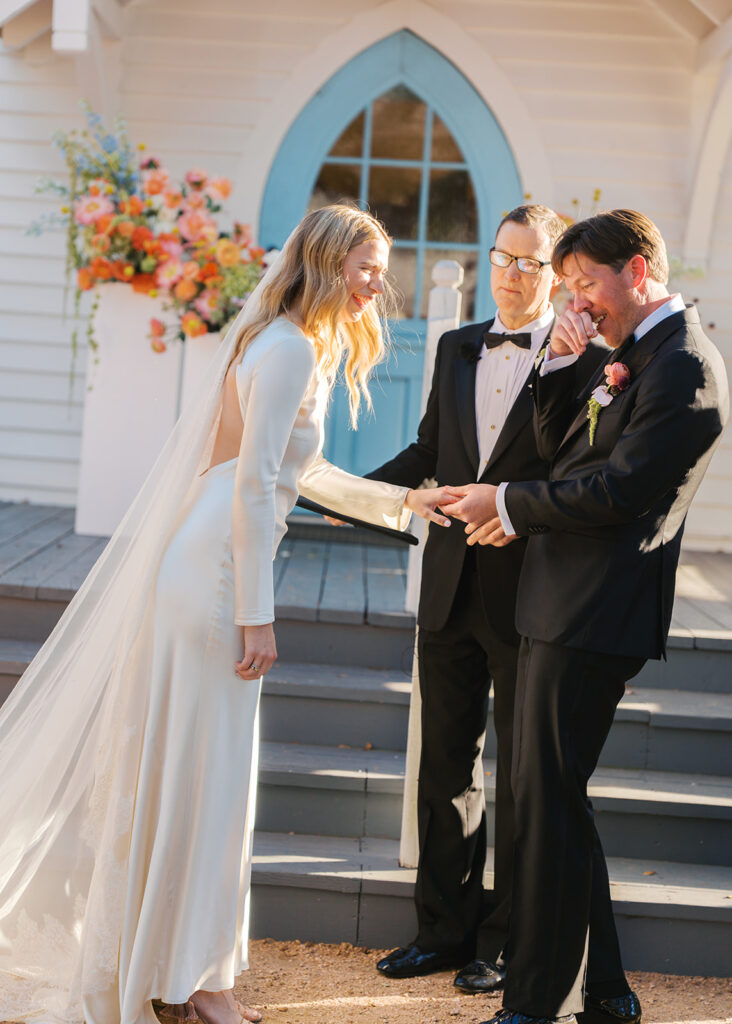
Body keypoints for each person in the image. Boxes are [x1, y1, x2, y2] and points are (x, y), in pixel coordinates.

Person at [0, 204, 455, 1024]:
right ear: (327, 264)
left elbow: (297, 474)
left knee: (197, 777)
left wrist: (404, 502)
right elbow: (252, 487)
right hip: (214, 576)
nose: (377, 286)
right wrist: (256, 614)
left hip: (208, 559)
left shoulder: (282, 341)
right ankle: (198, 983)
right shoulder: (288, 350)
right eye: (366, 268)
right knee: (207, 783)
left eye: (380, 270)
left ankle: (175, 969)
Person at [441, 209, 729, 1024]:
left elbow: (620, 491)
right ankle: (604, 992)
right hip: (555, 603)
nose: (575, 299)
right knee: (553, 797)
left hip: (597, 612)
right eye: (566, 284)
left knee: (546, 806)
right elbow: (558, 449)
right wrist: (564, 365)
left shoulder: (686, 366)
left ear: (637, 271)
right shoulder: (624, 353)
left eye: (585, 282)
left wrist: (508, 504)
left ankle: (537, 1004)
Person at [368, 205, 607, 993]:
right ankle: (441, 931)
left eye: (530, 263)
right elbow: (431, 450)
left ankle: (506, 943)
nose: (511, 274)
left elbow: (574, 476)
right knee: (444, 768)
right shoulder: (455, 346)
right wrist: (350, 492)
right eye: (503, 257)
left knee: (523, 778)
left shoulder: (584, 362)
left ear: (556, 274)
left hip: (529, 594)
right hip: (448, 587)